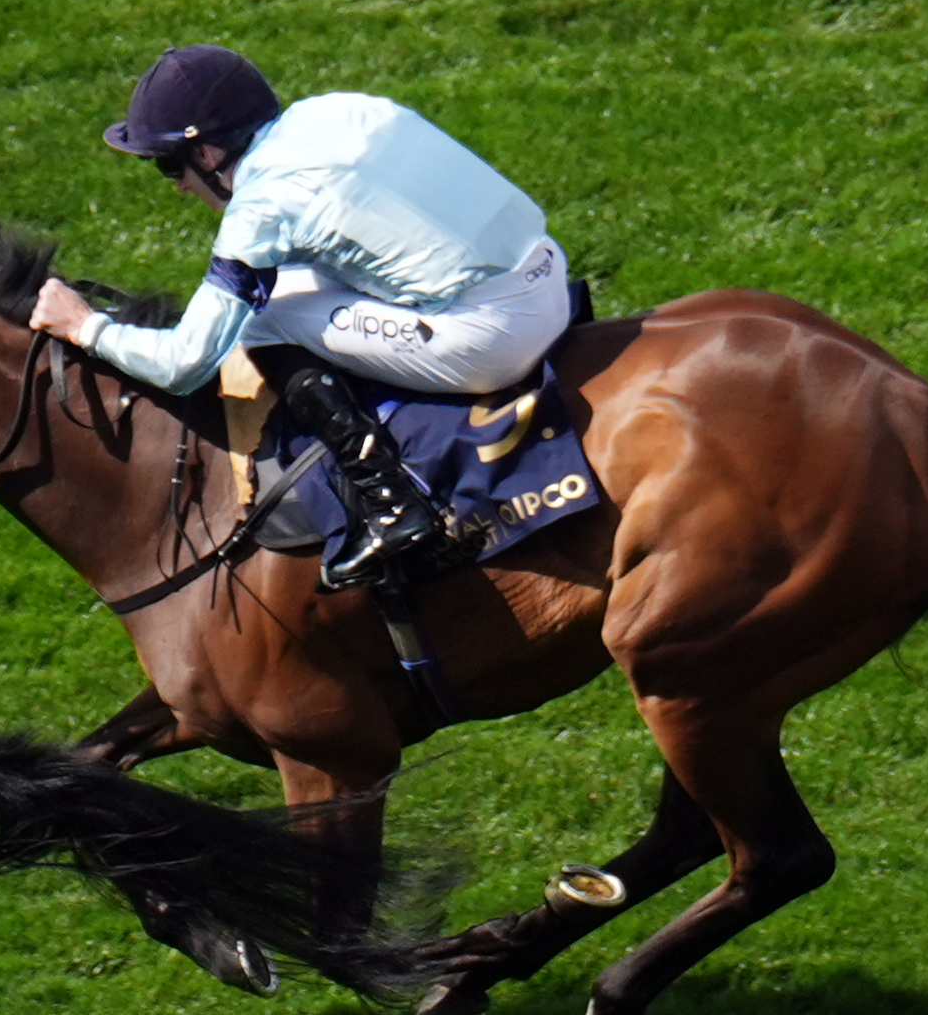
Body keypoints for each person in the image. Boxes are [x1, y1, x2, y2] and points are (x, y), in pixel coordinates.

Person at [28, 44, 575, 603]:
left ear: (210, 153)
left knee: (260, 324)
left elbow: (187, 364)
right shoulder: (337, 109)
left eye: (171, 166)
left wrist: (85, 328)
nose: (175, 185)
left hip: (495, 337)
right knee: (288, 285)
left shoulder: (261, 209)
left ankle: (389, 502)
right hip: (549, 271)